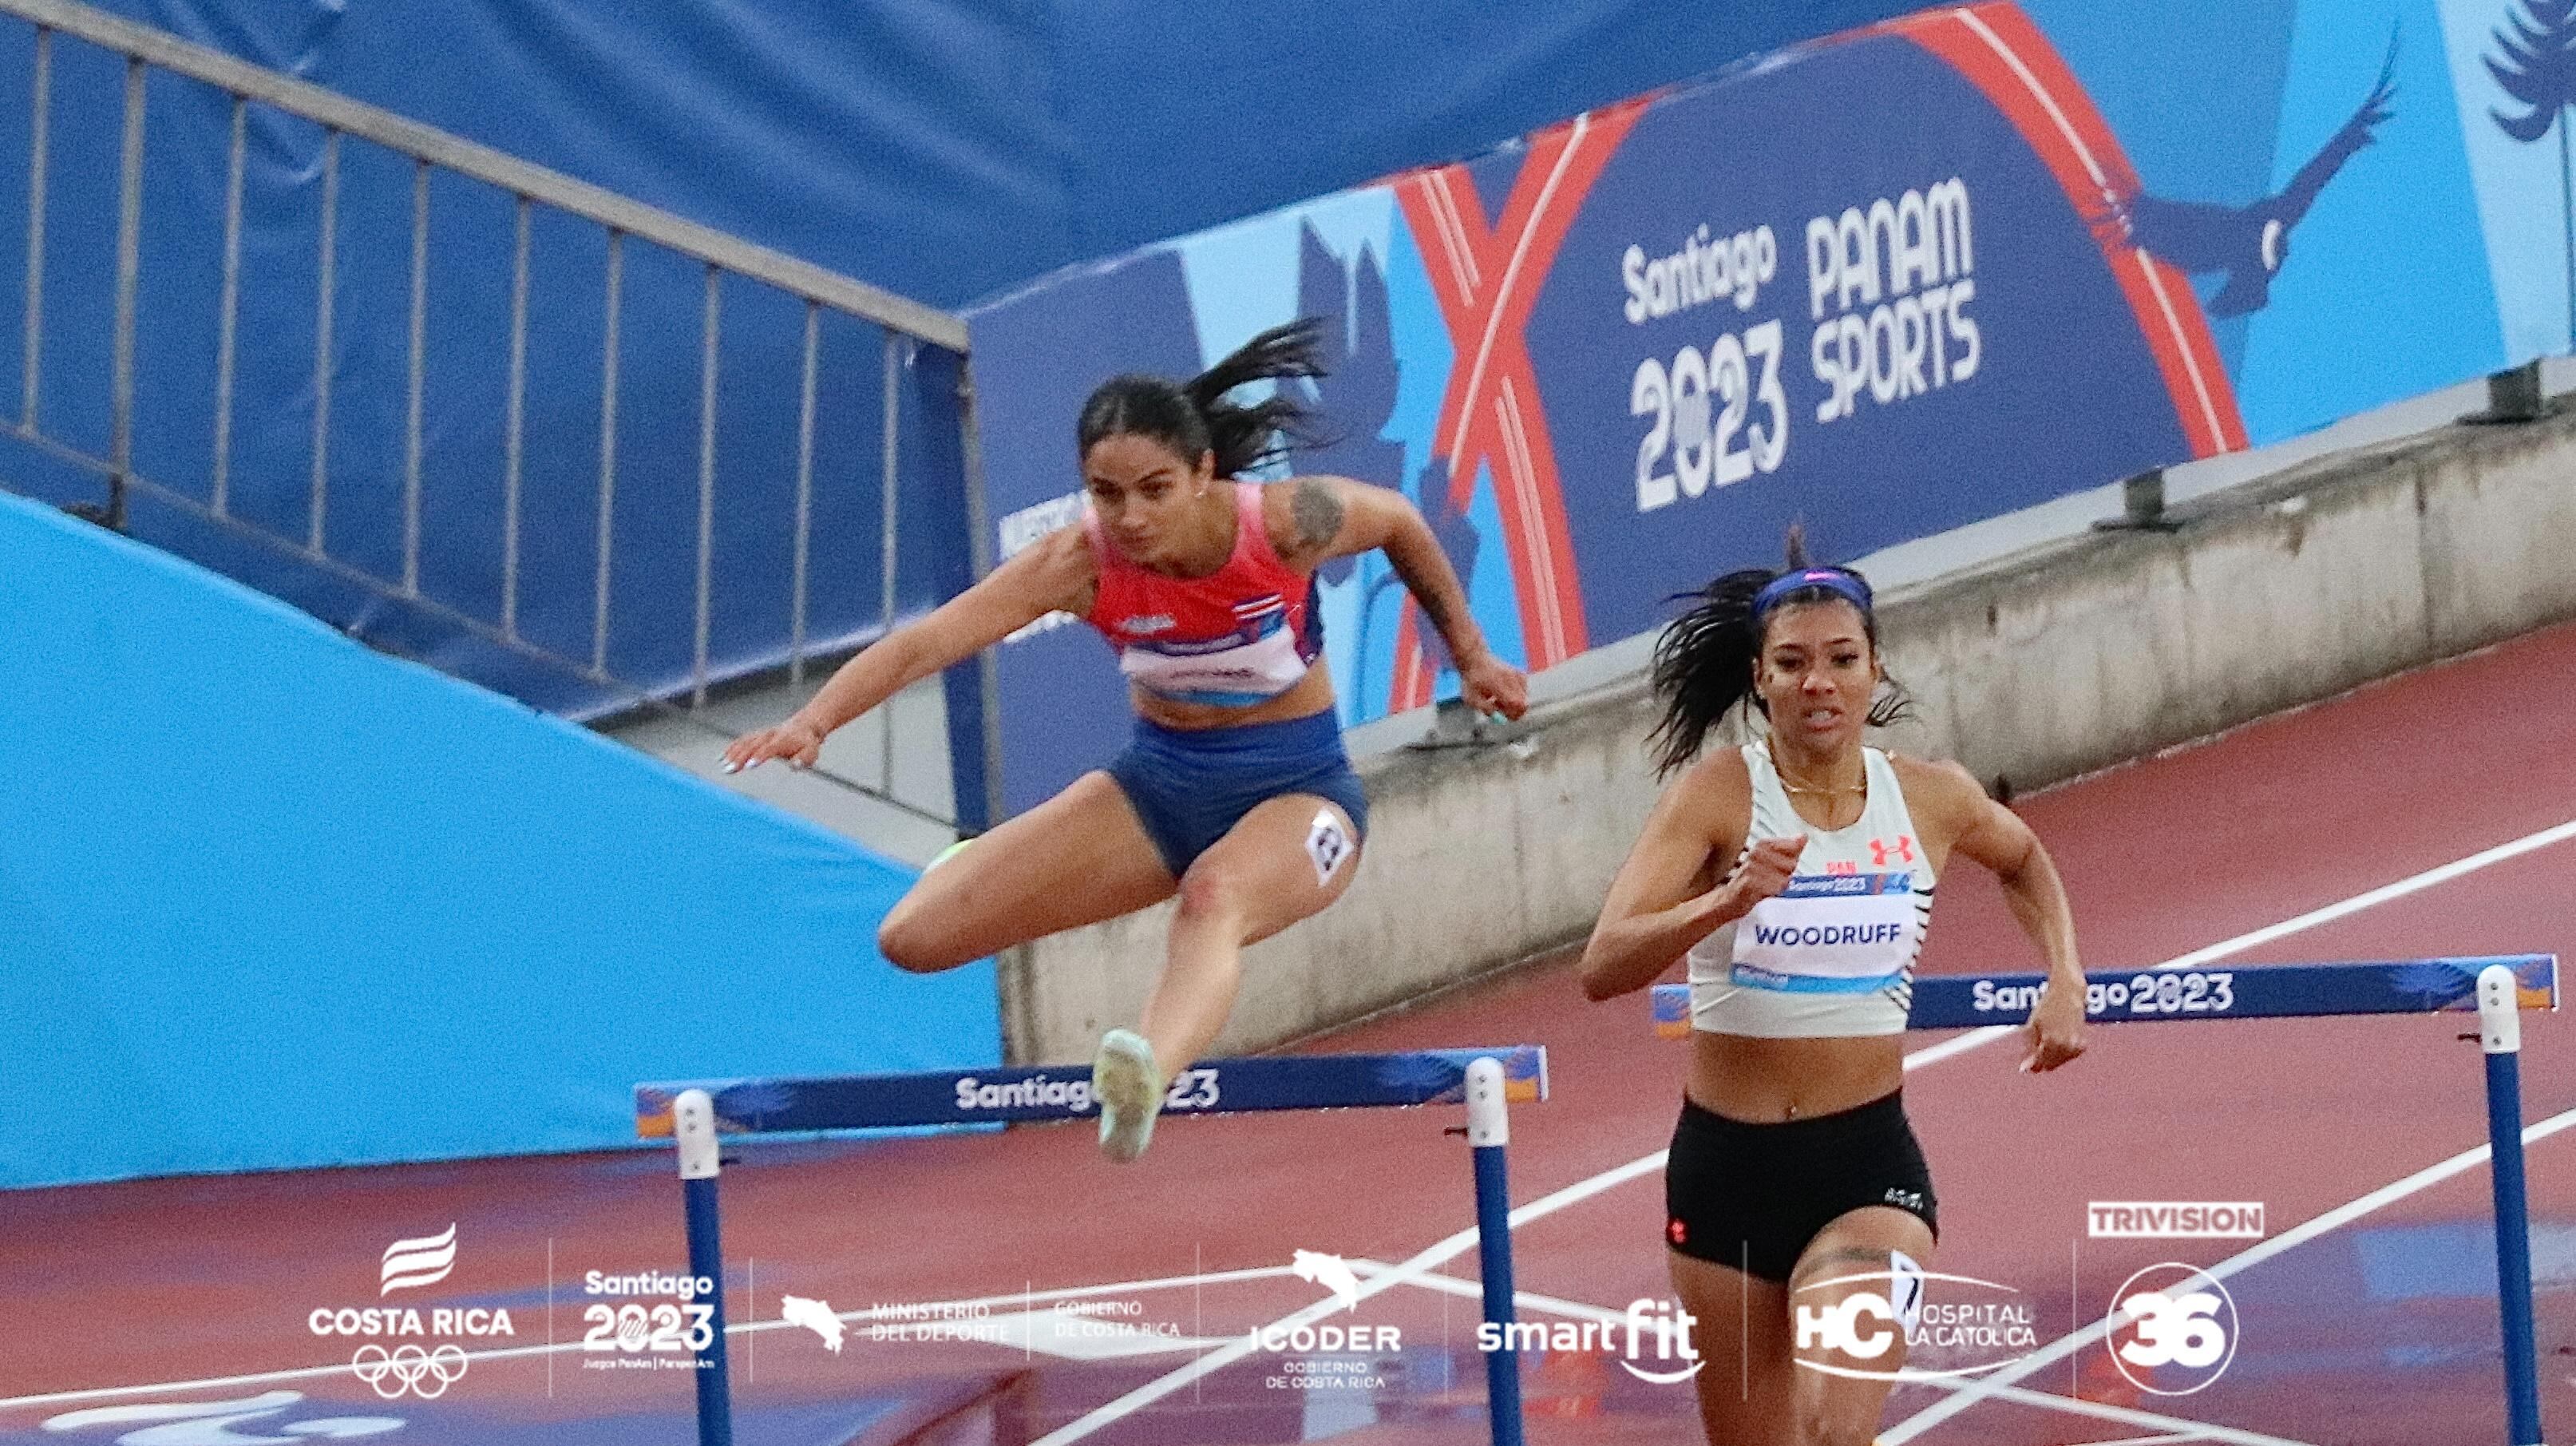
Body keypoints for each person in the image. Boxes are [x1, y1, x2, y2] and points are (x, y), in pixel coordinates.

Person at [724, 320, 1526, 1163]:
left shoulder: (1286, 524)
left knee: (1214, 894)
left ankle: (1145, 1076)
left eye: (1154, 489)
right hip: (1157, 788)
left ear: (1202, 472)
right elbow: (931, 641)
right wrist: (814, 719)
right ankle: (977, 863)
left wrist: (1469, 653)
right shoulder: (1078, 564)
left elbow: (1399, 520)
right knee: (911, 939)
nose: (1131, 516)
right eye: (1106, 493)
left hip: (1301, 791)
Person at [1576, 541, 2086, 1445]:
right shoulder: (1718, 795)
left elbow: (2022, 858)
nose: (1819, 682)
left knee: (1832, 1427)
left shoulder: (1930, 797)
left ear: (1872, 668)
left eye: (1841, 659)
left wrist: (2063, 974)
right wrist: (1724, 898)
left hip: (1864, 1166)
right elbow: (1603, 965)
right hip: (1724, 1171)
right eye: (1793, 662)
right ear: (1758, 678)